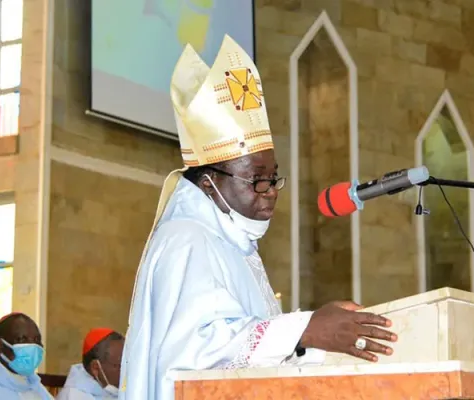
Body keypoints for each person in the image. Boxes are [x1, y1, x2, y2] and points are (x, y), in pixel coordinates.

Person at [119, 35, 397, 400]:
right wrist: (306, 329)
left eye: (273, 177)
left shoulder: (236, 244)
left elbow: (252, 355)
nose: (270, 191)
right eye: (256, 179)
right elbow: (193, 358)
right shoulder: (187, 239)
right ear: (208, 183)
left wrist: (316, 333)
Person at [56, 328, 124, 399]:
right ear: (95, 368)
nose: (125, 371)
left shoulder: (117, 391)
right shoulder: (74, 396)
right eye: (120, 365)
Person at [0, 312, 53, 399]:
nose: (32, 345)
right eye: (21, 339)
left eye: (37, 339)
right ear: (0, 344)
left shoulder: (35, 385)